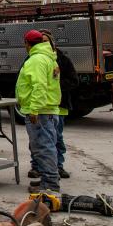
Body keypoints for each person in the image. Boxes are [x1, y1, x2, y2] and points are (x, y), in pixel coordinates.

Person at [15, 29, 61, 193]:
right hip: (47, 109)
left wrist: (34, 109)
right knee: (46, 146)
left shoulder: (37, 60)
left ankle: (50, 184)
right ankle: (47, 179)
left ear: (27, 44)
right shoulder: (48, 57)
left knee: (43, 147)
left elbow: (39, 86)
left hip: (40, 112)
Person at [43, 29, 78, 179]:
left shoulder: (62, 59)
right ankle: (38, 166)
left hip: (59, 107)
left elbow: (73, 81)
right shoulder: (33, 59)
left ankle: (59, 166)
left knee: (57, 138)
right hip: (42, 108)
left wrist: (54, 83)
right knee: (40, 140)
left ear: (51, 42)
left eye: (45, 41)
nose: (42, 44)